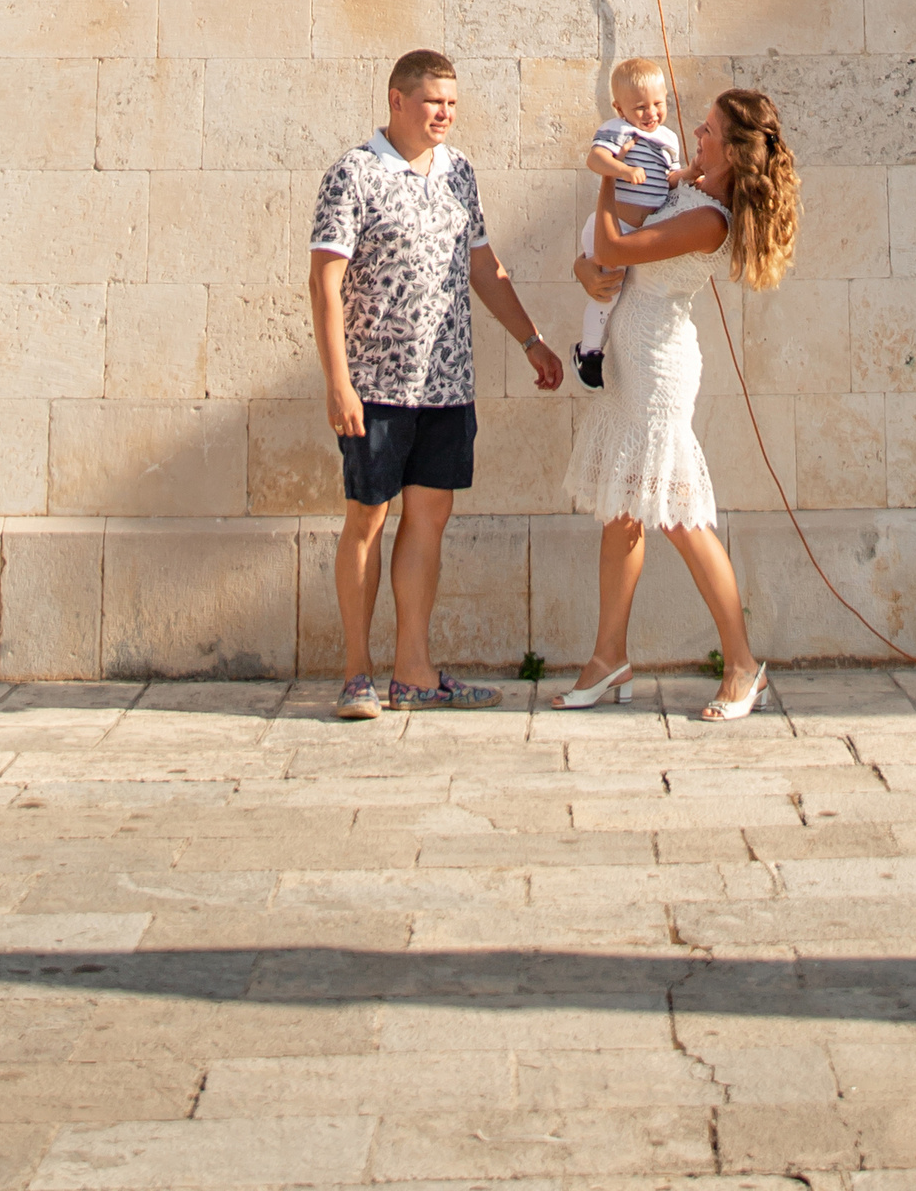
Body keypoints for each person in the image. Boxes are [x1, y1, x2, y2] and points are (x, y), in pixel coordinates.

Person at [309, 47, 565, 718]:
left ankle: (415, 672)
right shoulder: (353, 175)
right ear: (397, 101)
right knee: (367, 517)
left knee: (429, 523)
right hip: (376, 384)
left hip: (447, 383)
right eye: (432, 103)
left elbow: (483, 265)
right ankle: (358, 673)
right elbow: (324, 281)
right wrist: (338, 382)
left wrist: (531, 339)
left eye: (451, 103)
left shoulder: (459, 174)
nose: (444, 114)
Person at [558, 85, 800, 722]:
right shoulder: (689, 187)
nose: (697, 133)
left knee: (680, 518)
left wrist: (610, 175)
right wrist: (585, 274)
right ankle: (608, 656)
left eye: (710, 130)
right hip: (626, 360)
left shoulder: (709, 218)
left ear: (731, 149)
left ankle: (743, 665)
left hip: (660, 369)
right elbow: (606, 264)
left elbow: (614, 247)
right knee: (623, 510)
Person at [573, 55, 683, 388]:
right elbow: (596, 158)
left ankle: (600, 351)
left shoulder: (668, 139)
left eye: (657, 104)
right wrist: (623, 170)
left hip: (639, 232)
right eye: (640, 108)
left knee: (620, 295)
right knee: (605, 292)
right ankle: (589, 350)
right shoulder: (617, 130)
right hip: (612, 225)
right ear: (619, 109)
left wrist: (690, 175)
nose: (651, 114)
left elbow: (671, 177)